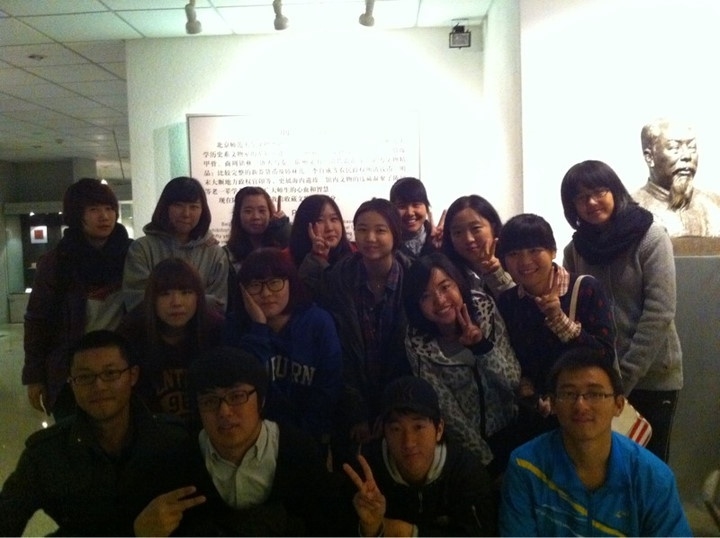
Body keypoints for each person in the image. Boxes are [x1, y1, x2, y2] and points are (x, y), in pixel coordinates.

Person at [1, 330, 198, 536]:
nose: (99, 386)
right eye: (85, 377)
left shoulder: (173, 441)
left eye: (110, 373)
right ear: (72, 383)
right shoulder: (47, 454)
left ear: (133, 376)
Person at [135, 346, 344, 536]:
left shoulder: (297, 450)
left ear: (261, 400)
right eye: (210, 401)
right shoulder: (179, 461)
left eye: (236, 396)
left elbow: (327, 526)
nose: (224, 411)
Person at [561, 159, 682, 462]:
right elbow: (574, 314)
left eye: (598, 192)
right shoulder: (575, 251)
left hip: (652, 378)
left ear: (615, 191)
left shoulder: (651, 236)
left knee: (649, 467)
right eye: (580, 197)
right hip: (598, 383)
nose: (591, 202)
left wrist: (622, 378)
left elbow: (659, 312)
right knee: (605, 466)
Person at [499, 347, 691, 537]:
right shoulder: (526, 467)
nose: (581, 405)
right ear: (553, 404)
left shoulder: (652, 478)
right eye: (568, 394)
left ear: (618, 405)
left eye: (595, 394)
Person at [496, 213, 616, 438]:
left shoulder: (585, 289)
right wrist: (527, 388)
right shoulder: (508, 301)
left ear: (552, 251)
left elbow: (604, 355)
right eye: (513, 254)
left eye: (534, 250)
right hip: (536, 418)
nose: (524, 261)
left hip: (583, 412)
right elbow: (513, 358)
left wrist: (558, 319)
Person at [23, 178, 132, 418]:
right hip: (72, 369)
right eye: (94, 209)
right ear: (76, 215)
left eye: (109, 208)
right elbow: (37, 321)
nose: (104, 216)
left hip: (120, 366)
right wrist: (35, 376)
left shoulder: (132, 255)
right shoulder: (57, 262)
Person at [403, 252, 520, 472]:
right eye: (425, 296)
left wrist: (481, 346)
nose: (440, 300)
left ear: (458, 283)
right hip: (468, 449)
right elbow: (446, 409)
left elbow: (512, 381)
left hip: (515, 429)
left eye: (445, 287)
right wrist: (484, 462)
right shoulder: (417, 341)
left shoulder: (483, 308)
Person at [317, 198, 413, 466]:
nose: (370, 238)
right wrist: (356, 413)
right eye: (362, 229)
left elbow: (415, 352)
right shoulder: (336, 280)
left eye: (380, 230)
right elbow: (336, 352)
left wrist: (391, 410)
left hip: (402, 406)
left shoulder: (415, 278)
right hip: (348, 407)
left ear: (395, 233)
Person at [342, 375, 498, 536]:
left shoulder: (465, 472)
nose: (408, 442)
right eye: (396, 429)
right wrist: (370, 529)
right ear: (384, 433)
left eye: (418, 427)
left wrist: (410, 533)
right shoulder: (365, 476)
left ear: (439, 429)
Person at [224, 247, 342, 453]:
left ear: (290, 283)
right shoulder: (235, 326)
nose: (266, 293)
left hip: (308, 439)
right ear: (243, 290)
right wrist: (259, 327)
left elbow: (328, 387)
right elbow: (241, 385)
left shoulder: (318, 322)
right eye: (255, 285)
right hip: (253, 441)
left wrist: (302, 439)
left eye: (275, 282)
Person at [117, 258, 224, 425]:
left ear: (198, 296)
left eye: (186, 292)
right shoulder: (132, 334)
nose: (176, 303)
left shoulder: (216, 331)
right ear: (152, 299)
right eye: (165, 294)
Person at [123, 176, 228, 312]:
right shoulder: (142, 249)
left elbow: (218, 304)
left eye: (194, 207)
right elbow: (136, 300)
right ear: (165, 207)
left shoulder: (214, 253)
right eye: (178, 205)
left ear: (203, 211)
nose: (186, 213)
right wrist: (201, 300)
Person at [633, 117, 720, 237]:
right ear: (650, 157)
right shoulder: (632, 210)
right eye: (675, 148)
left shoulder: (715, 203)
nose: (687, 156)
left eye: (692, 147)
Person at [225, 186, 291, 308]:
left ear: (270, 213)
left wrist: (283, 229)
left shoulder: (281, 248)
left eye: (262, 211)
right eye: (248, 211)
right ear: (238, 215)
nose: (256, 217)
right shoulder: (227, 255)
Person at [442, 194, 514, 299]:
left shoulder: (514, 260)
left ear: (493, 227)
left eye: (475, 228)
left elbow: (521, 304)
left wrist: (496, 274)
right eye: (458, 232)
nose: (468, 239)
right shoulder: (446, 274)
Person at [288, 194, 355, 297]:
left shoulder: (355, 255)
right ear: (304, 225)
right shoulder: (286, 259)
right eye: (319, 220)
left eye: (334, 219)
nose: (329, 228)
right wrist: (317, 258)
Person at [389, 176, 443, 257]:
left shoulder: (441, 239)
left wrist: (441, 248)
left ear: (427, 208)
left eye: (416, 204)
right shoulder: (387, 244)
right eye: (402, 206)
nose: (410, 213)